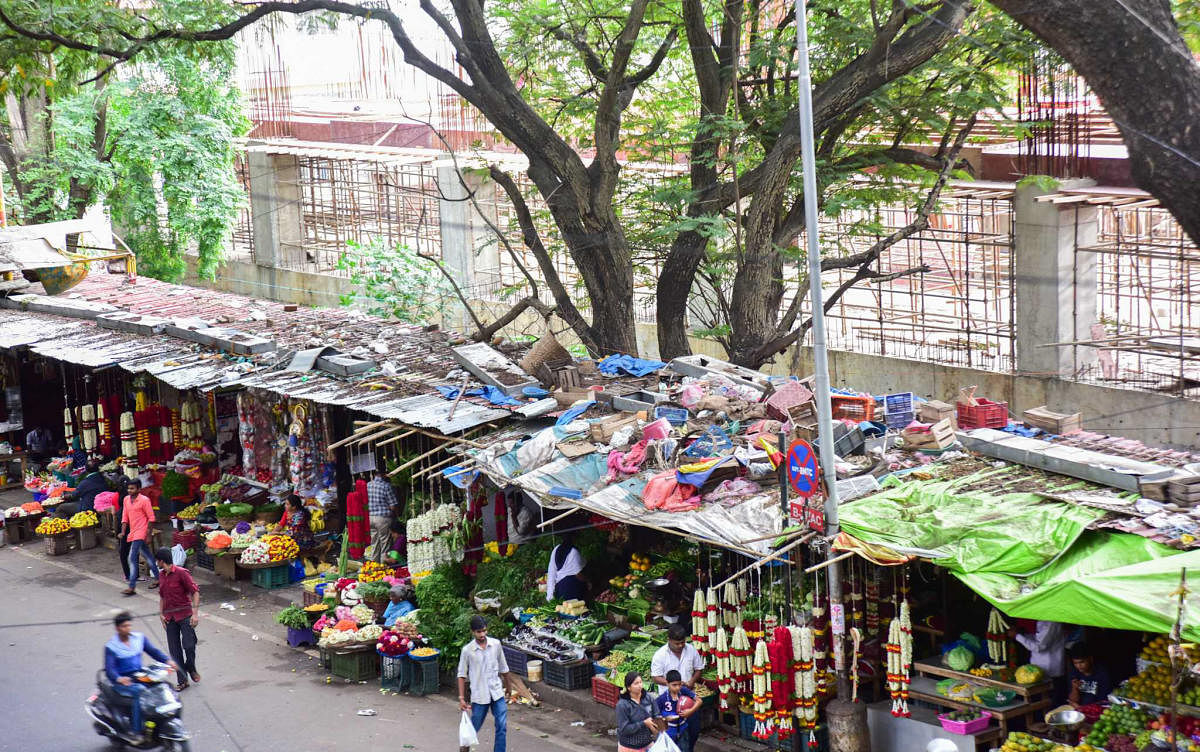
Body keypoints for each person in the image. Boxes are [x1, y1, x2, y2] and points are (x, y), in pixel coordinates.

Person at [104, 611, 177, 744]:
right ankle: (136, 732)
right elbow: (110, 670)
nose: (127, 628)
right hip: (122, 682)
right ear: (117, 628)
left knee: (161, 687)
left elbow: (153, 651)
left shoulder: (139, 638)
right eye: (124, 626)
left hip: (139, 675)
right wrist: (119, 679)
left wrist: (168, 661)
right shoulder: (111, 647)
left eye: (129, 625)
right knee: (140, 691)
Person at [457, 614, 510, 752]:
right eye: (479, 632)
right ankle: (464, 749)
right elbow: (461, 675)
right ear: (472, 632)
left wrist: (508, 688)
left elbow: (504, 668)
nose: (482, 634)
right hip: (480, 696)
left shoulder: (496, 644)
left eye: (484, 631)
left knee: (501, 726)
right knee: (473, 727)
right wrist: (461, 698)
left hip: (496, 692)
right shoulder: (467, 651)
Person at [154, 547, 201, 692]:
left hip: (185, 614)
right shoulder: (161, 576)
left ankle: (190, 666)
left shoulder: (181, 573)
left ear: (162, 561)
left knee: (189, 645)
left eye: (157, 560)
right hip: (170, 617)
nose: (156, 563)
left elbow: (195, 592)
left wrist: (195, 614)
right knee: (175, 651)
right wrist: (161, 614)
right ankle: (182, 680)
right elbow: (162, 596)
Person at [120, 479, 159, 596]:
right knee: (148, 556)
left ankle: (131, 586)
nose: (129, 491)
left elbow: (151, 518)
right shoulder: (126, 499)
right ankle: (158, 578)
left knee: (131, 558)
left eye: (132, 488)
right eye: (128, 488)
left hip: (141, 532)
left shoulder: (144, 500)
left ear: (138, 489)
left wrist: (148, 535)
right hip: (133, 532)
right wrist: (122, 532)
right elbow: (124, 517)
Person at [1015, 620, 1068, 702]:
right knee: (1040, 700)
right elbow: (1037, 640)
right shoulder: (1042, 621)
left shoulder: (1051, 623)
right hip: (1039, 669)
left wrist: (1017, 636)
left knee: (1049, 701)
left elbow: (1039, 647)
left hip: (1050, 670)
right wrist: (1024, 635)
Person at [616, 672, 665, 752]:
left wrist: (661, 723)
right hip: (629, 747)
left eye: (640, 682)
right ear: (629, 687)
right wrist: (644, 723)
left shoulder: (648, 698)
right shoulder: (623, 705)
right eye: (636, 683)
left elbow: (656, 714)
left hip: (647, 744)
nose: (640, 685)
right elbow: (624, 729)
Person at [651, 623, 705, 690]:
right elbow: (655, 677)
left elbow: (699, 669)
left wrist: (692, 681)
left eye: (682, 642)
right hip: (668, 695)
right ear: (669, 640)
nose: (680, 645)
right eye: (677, 643)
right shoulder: (659, 655)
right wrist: (674, 684)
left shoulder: (691, 649)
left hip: (688, 692)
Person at [655, 670, 699, 752]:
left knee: (685, 749)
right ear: (667, 684)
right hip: (669, 732)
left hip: (683, 729)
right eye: (674, 685)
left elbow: (699, 701)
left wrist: (690, 711)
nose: (677, 687)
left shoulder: (683, 691)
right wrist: (665, 719)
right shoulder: (662, 699)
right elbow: (655, 717)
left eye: (679, 684)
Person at [365, 470, 398, 563]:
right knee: (385, 543)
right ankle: (384, 565)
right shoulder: (386, 486)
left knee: (374, 543)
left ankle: (374, 565)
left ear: (375, 475)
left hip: (370, 517)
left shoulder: (368, 485)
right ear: (383, 475)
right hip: (383, 518)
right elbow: (393, 505)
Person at [546, 531, 586, 602]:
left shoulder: (556, 549)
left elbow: (551, 572)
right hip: (572, 587)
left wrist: (550, 594)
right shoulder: (574, 552)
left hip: (560, 587)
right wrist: (587, 581)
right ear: (573, 539)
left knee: (563, 609)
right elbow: (578, 574)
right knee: (573, 609)